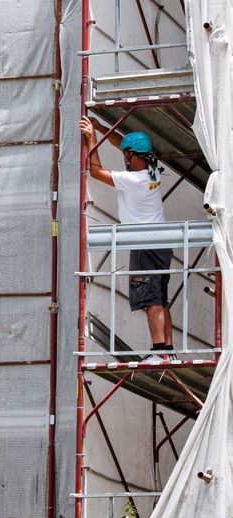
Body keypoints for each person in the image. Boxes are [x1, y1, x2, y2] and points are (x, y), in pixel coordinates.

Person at [79, 116, 174, 358]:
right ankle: (169, 351)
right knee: (161, 299)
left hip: (143, 243)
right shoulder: (154, 173)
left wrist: (92, 139)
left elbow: (96, 171)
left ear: (132, 156)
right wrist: (102, 128)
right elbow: (123, 143)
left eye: (126, 155)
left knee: (151, 299)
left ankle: (159, 351)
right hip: (162, 244)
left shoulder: (132, 180)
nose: (124, 158)